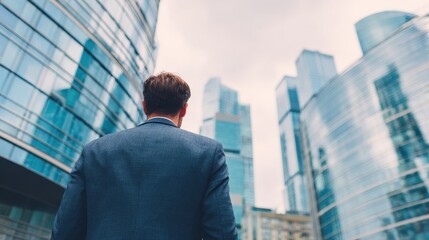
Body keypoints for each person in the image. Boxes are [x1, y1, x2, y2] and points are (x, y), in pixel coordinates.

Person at [51, 72, 237, 239]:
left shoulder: (94, 151)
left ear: (144, 105)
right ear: (184, 110)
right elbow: (222, 234)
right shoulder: (208, 152)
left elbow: (64, 231)